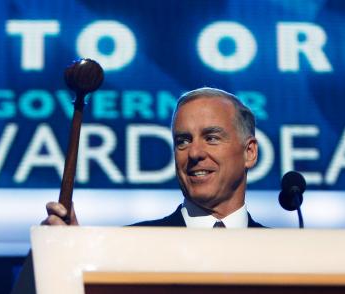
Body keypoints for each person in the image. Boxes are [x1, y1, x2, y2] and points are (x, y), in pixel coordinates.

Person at [42, 87, 264, 228]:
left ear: (249, 153)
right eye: (183, 141)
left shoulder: (286, 253)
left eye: (212, 138)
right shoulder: (127, 248)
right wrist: (69, 255)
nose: (195, 153)